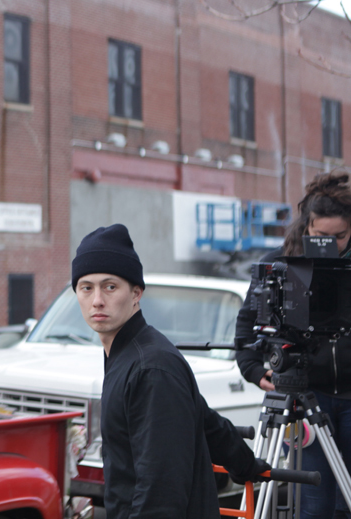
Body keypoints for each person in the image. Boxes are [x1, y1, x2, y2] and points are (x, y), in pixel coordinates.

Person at [73, 223, 263, 518]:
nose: (97, 299)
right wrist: (245, 464)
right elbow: (205, 420)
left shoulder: (151, 367)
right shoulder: (129, 355)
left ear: (136, 292)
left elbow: (161, 491)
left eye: (110, 286)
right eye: (86, 287)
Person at [234, 171, 351, 518]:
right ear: (307, 225)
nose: (331, 243)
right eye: (321, 235)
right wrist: (255, 370)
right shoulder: (281, 264)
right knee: (312, 506)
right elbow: (246, 329)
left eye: (340, 236)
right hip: (305, 397)